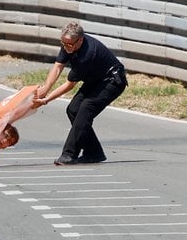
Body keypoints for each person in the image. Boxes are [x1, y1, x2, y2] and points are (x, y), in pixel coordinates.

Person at [33, 22, 127, 165]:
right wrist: (45, 89)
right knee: (73, 110)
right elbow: (58, 66)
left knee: (85, 110)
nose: (66, 47)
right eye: (63, 43)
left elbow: (70, 84)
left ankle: (69, 154)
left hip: (111, 82)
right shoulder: (69, 43)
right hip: (95, 79)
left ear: (80, 40)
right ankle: (94, 152)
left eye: (69, 44)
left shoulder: (87, 54)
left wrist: (47, 100)